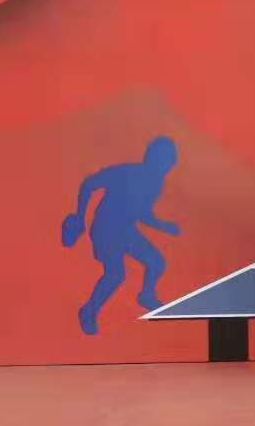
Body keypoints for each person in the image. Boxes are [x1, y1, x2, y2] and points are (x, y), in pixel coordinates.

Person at [62, 137, 179, 336]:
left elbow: (143, 214)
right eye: (162, 160)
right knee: (116, 274)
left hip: (127, 231)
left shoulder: (156, 184)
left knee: (157, 263)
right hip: (105, 230)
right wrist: (80, 217)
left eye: (169, 162)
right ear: (150, 158)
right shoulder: (126, 172)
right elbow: (89, 184)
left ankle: (147, 295)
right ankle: (89, 311)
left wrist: (164, 226)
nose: (166, 166)